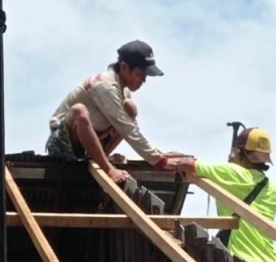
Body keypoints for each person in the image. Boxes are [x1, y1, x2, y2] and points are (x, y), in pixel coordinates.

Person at [171, 126, 276, 262]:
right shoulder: (273, 187)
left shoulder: (235, 175)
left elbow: (188, 165)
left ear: (239, 154)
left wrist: (164, 157)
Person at [46, 40, 180, 184]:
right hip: (64, 143)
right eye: (140, 74)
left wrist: (157, 155)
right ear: (124, 67)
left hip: (92, 141)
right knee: (79, 110)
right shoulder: (106, 86)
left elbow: (131, 127)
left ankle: (101, 156)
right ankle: (107, 167)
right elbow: (126, 128)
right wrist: (159, 161)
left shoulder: (124, 91)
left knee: (129, 108)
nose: (143, 80)